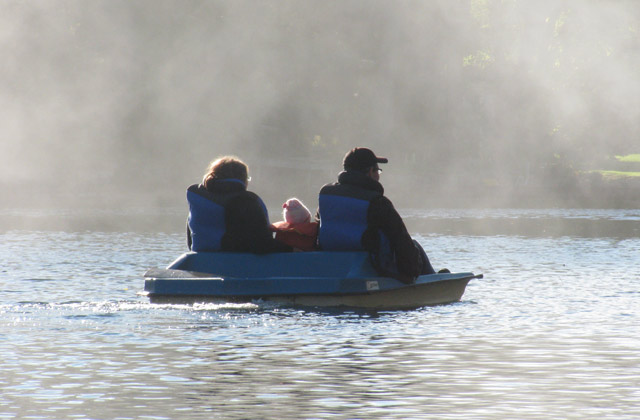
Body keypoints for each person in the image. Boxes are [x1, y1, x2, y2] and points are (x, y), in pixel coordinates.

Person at [317, 147, 443, 283]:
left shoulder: (326, 195)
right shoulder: (377, 203)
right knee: (414, 245)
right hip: (375, 265)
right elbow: (401, 240)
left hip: (331, 263)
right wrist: (411, 274)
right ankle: (435, 281)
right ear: (371, 172)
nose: (378, 175)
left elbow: (317, 227)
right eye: (377, 170)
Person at [186, 156, 291, 253]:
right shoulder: (247, 201)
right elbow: (261, 244)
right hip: (236, 262)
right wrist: (291, 249)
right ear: (243, 179)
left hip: (201, 259)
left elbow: (191, 243)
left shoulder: (197, 197)